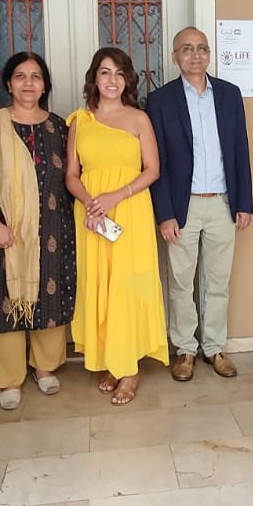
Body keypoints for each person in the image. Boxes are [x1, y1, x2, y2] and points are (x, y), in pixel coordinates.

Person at [147, 27, 253, 382]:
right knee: (181, 282)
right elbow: (158, 163)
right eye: (187, 49)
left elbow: (240, 150)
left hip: (223, 203)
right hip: (183, 207)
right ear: (175, 56)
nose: (195, 55)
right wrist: (165, 213)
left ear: (209, 54)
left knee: (218, 281)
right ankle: (185, 350)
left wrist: (244, 202)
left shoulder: (229, 94)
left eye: (202, 48)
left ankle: (214, 347)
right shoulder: (160, 101)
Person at [65, 47, 168, 405]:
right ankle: (111, 360)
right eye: (105, 72)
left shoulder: (139, 119)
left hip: (130, 209)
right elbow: (72, 174)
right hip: (93, 215)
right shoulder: (80, 120)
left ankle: (130, 369)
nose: (112, 80)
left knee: (127, 284)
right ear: (94, 78)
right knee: (101, 285)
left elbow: (152, 170)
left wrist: (115, 196)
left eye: (119, 73)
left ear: (128, 79)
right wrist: (91, 203)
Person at [0, 52, 77, 409]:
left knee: (51, 295)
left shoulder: (59, 127)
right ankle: (9, 378)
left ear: (45, 85)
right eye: (20, 76)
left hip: (52, 226)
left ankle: (45, 367)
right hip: (3, 227)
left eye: (36, 77)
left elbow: (73, 176)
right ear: (8, 83)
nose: (28, 83)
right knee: (3, 297)